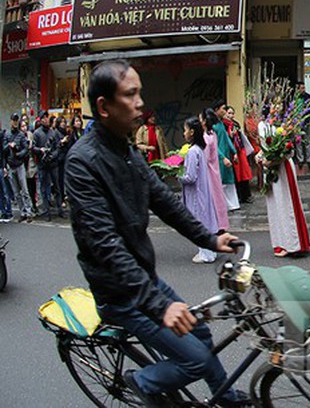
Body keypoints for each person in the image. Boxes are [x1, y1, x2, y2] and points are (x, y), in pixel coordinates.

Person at [65, 59, 246, 406]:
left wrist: (209, 238)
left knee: (201, 333)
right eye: (130, 95)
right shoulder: (82, 162)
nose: (140, 104)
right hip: (120, 293)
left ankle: (224, 396)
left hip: (144, 279)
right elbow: (104, 244)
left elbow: (165, 202)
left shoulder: (127, 150)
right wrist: (159, 305)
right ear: (103, 106)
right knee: (196, 358)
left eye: (140, 94)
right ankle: (143, 381)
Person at [257, 106, 310, 258]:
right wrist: (260, 156)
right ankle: (280, 242)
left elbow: (289, 150)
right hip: (271, 169)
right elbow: (263, 146)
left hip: (283, 168)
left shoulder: (285, 125)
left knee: (286, 204)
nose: (278, 108)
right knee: (274, 205)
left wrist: (274, 160)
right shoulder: (262, 124)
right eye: (275, 104)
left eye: (280, 105)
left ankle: (292, 243)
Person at [179, 117, 219, 265]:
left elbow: (190, 177)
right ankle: (209, 251)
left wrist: (177, 175)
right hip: (203, 190)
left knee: (199, 221)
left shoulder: (192, 152)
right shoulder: (199, 150)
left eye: (185, 129)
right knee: (205, 219)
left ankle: (206, 254)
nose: (184, 133)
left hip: (196, 193)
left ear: (192, 131)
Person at [199, 109, 230, 239]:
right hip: (215, 170)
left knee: (210, 200)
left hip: (208, 172)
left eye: (200, 119)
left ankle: (213, 225)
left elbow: (204, 158)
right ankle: (221, 224)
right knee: (218, 198)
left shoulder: (206, 137)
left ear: (205, 121)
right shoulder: (213, 134)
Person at [210, 102, 240, 211]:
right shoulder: (212, 126)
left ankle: (232, 204)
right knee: (221, 181)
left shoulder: (221, 123)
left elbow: (227, 139)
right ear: (216, 110)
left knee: (229, 179)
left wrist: (234, 151)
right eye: (223, 109)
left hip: (226, 154)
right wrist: (222, 157)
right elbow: (213, 145)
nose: (225, 111)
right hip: (219, 156)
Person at [32, 110, 62, 220]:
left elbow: (58, 147)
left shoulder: (53, 132)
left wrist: (52, 155)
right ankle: (46, 212)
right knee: (44, 189)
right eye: (43, 117)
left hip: (53, 164)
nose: (45, 119)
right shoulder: (36, 133)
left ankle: (60, 210)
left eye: (46, 117)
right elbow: (33, 148)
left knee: (57, 187)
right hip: (42, 164)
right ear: (40, 120)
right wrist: (41, 150)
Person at [223, 106, 254, 204]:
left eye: (232, 113)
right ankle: (239, 196)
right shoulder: (222, 126)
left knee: (243, 173)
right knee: (236, 175)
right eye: (229, 113)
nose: (230, 115)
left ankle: (246, 196)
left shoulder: (235, 124)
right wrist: (230, 136)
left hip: (240, 151)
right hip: (231, 153)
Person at [5, 115, 32, 221]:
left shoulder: (21, 135)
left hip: (19, 165)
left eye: (16, 121)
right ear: (11, 121)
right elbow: (3, 150)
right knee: (16, 192)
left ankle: (29, 212)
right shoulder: (7, 134)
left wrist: (18, 153)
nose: (15, 123)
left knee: (24, 190)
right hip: (11, 166)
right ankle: (22, 212)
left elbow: (26, 149)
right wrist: (9, 146)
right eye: (13, 120)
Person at [56, 116, 73, 205]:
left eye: (64, 121)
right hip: (60, 159)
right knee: (60, 179)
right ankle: (61, 197)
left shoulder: (66, 132)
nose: (63, 123)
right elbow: (56, 145)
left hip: (66, 157)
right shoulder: (56, 133)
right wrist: (62, 142)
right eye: (61, 122)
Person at [0, 121, 13, 222]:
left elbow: (4, 153)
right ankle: (3, 212)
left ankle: (8, 212)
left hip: (1, 166)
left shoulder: (2, 135)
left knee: (5, 190)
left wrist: (4, 166)